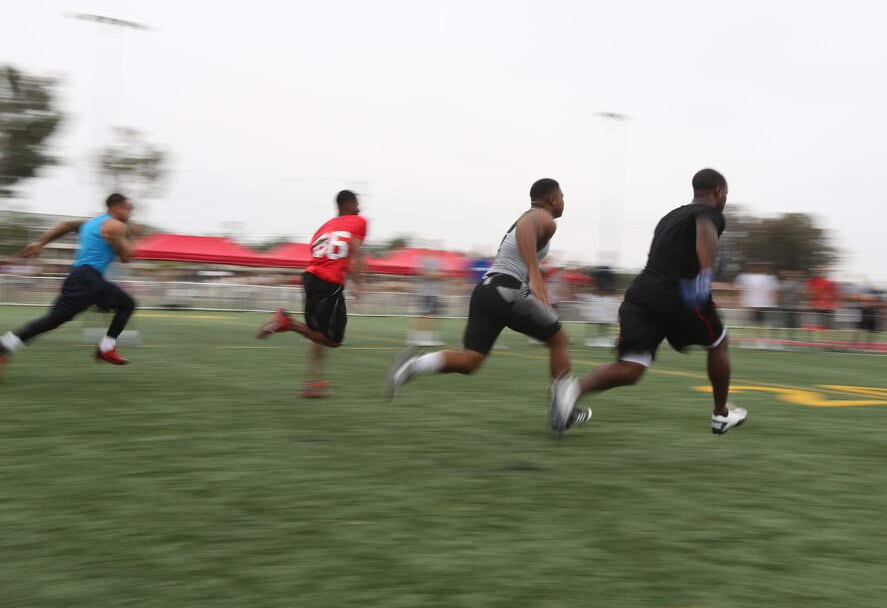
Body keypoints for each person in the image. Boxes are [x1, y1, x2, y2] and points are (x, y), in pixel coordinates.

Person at [549, 168, 747, 436]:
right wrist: (706, 272)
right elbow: (705, 228)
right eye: (726, 195)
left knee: (630, 368)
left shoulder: (669, 217)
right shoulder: (710, 213)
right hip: (677, 294)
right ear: (719, 192)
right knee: (718, 341)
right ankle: (721, 414)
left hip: (639, 297)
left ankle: (571, 391)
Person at [384, 179, 588, 426]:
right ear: (553, 199)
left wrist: (536, 272)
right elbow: (526, 229)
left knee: (470, 360)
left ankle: (413, 365)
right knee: (559, 339)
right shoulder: (543, 217)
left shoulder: (529, 216)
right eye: (563, 197)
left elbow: (520, 242)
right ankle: (563, 409)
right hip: (506, 289)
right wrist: (534, 274)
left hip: (486, 290)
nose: (564, 202)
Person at [0, 193, 139, 376]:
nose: (130, 214)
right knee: (52, 320)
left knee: (126, 304)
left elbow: (64, 225)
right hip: (87, 279)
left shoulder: (90, 223)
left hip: (85, 277)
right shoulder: (117, 225)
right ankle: (3, 346)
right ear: (117, 207)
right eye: (128, 210)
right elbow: (127, 256)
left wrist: (40, 242)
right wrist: (130, 233)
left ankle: (106, 348)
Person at [256, 189, 366, 398]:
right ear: (347, 205)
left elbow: (321, 252)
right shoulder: (359, 221)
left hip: (310, 278)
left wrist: (346, 271)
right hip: (329, 283)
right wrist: (359, 281)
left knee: (317, 334)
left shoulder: (324, 227)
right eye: (356, 204)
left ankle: (313, 384)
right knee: (333, 340)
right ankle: (287, 323)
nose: (359, 208)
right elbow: (357, 250)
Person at [735, 262, 779, 349]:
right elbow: (739, 290)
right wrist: (744, 303)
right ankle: (759, 342)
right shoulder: (745, 277)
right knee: (757, 324)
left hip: (767, 305)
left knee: (773, 324)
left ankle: (772, 342)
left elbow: (774, 292)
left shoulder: (771, 278)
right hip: (754, 305)